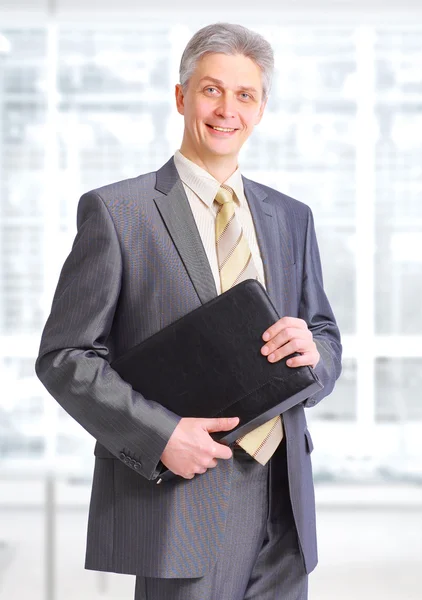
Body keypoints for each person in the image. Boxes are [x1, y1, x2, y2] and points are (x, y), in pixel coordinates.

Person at [35, 22, 342, 600]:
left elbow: (324, 331)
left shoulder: (291, 217)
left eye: (245, 95)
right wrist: (161, 434)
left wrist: (316, 354)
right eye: (211, 90)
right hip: (181, 499)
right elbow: (65, 356)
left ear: (261, 108)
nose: (227, 109)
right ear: (181, 97)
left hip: (285, 504)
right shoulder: (118, 212)